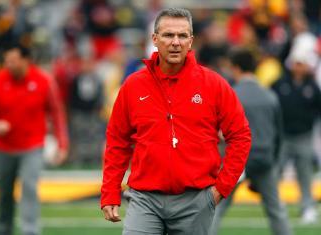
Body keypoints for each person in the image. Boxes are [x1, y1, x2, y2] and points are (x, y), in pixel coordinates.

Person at [101, 8, 251, 235]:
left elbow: (240, 136)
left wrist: (221, 188)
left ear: (191, 41)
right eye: (168, 35)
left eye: (182, 36)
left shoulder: (214, 84)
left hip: (196, 199)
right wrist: (110, 191)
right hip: (144, 198)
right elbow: (117, 141)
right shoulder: (133, 85)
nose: (175, 42)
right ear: (155, 39)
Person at [0, 43, 69, 235]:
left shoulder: (43, 81)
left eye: (13, 60)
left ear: (26, 60)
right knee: (4, 193)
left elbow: (57, 114)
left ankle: (30, 231)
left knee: (30, 187)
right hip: (3, 147)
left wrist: (62, 145)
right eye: (6, 61)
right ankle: (4, 229)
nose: (9, 64)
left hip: (32, 146)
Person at [209, 48, 293, 235]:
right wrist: (275, 162)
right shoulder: (270, 96)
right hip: (264, 159)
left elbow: (219, 132)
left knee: (216, 208)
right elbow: (279, 134)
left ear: (236, 68)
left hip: (236, 160)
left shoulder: (231, 94)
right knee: (276, 210)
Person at [272, 40, 321, 224]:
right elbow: (272, 106)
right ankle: (276, 205)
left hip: (304, 137)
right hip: (283, 136)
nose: (299, 67)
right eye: (297, 63)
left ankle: (307, 207)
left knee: (305, 174)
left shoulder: (312, 86)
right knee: (276, 172)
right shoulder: (279, 84)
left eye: (302, 63)